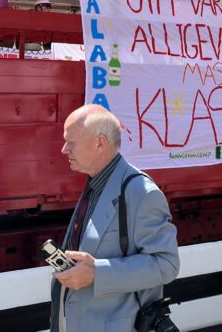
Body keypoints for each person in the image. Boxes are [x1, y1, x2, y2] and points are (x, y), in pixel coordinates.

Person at [50, 105, 180, 332]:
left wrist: (97, 273)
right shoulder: (96, 183)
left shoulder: (141, 192)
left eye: (71, 142)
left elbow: (166, 264)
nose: (63, 149)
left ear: (100, 143)